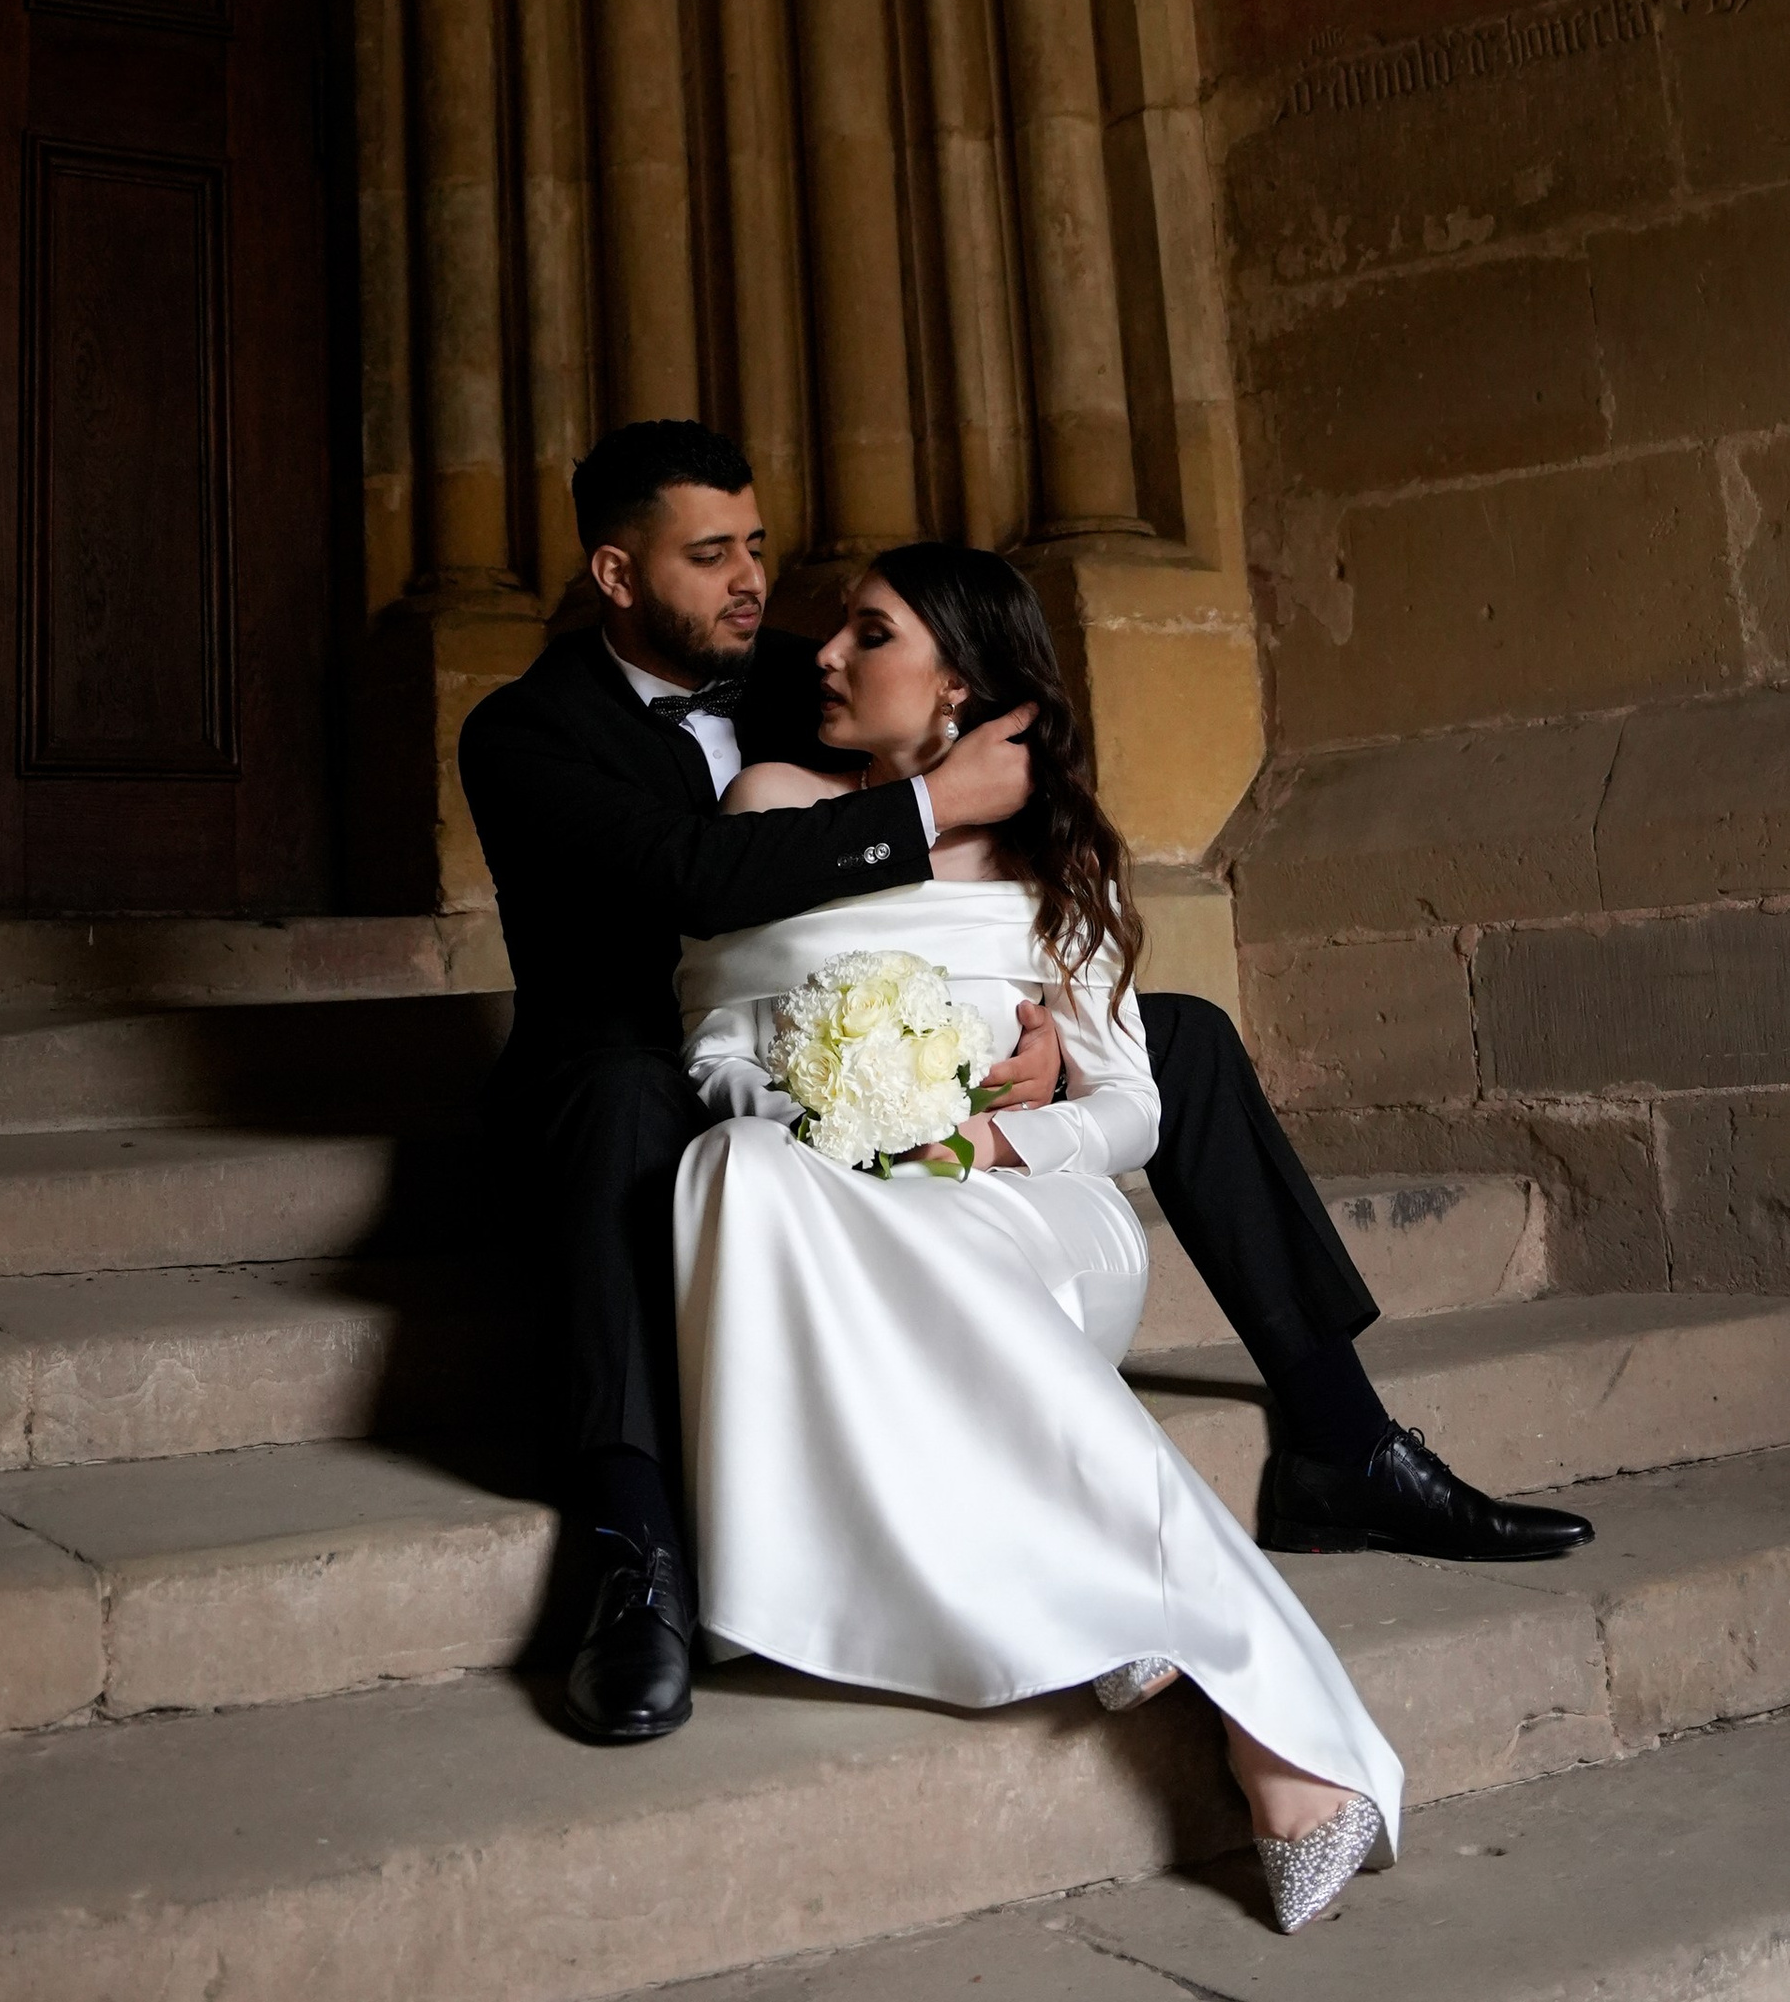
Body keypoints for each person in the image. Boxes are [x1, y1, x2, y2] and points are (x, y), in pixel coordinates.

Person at [457, 419, 1588, 1762]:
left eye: (757, 544)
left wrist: (1012, 1029)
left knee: (1187, 1037)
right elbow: (707, 877)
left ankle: (1340, 1433)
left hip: (866, 1015)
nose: (758, 585)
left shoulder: (793, 675)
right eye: (711, 557)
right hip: (640, 1044)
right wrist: (930, 813)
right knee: (629, 1108)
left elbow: (974, 807)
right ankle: (632, 1547)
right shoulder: (523, 733)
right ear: (615, 571)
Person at [677, 537, 1397, 1933]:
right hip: (845, 1200)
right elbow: (713, 1043)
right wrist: (841, 1093)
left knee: (933, 1239)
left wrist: (1006, 1128)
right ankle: (1232, 1687)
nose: (824, 654)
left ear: (961, 681)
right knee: (737, 1172)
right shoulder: (771, 803)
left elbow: (1134, 1105)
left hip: (1030, 1216)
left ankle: (1236, 1687)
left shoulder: (1054, 862)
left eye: (868, 634)